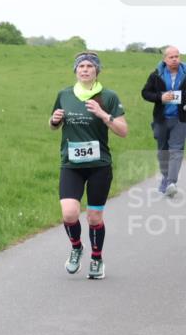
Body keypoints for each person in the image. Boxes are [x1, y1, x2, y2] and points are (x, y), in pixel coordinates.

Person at [50, 51, 128, 280]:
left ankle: (96, 258)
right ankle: (76, 248)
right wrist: (54, 120)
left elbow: (123, 131)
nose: (85, 69)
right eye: (81, 66)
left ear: (96, 71)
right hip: (71, 164)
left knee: (94, 217)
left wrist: (104, 115)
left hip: (99, 165)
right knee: (69, 213)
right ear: (75, 70)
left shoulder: (109, 96)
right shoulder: (64, 94)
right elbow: (53, 125)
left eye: (89, 66)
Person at [141, 45, 186, 197]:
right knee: (162, 151)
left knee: (176, 150)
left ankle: (171, 182)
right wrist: (160, 97)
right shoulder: (156, 74)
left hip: (180, 119)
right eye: (171, 57)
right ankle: (166, 177)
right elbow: (145, 93)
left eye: (177, 56)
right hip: (161, 119)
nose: (175, 59)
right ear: (164, 59)